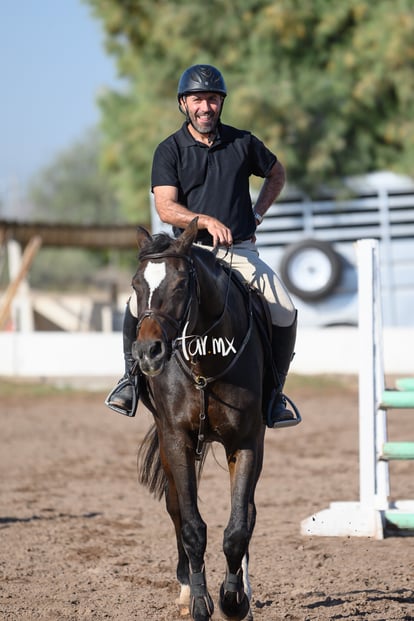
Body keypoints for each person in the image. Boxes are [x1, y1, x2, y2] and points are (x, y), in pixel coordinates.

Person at [106, 64, 299, 428]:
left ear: (220, 103)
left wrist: (257, 215)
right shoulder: (169, 150)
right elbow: (165, 206)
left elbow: (277, 173)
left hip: (239, 252)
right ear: (183, 104)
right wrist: (205, 221)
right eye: (197, 99)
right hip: (187, 254)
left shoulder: (243, 143)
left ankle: (274, 395)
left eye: (212, 99)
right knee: (135, 305)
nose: (205, 106)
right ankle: (130, 382)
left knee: (285, 310)